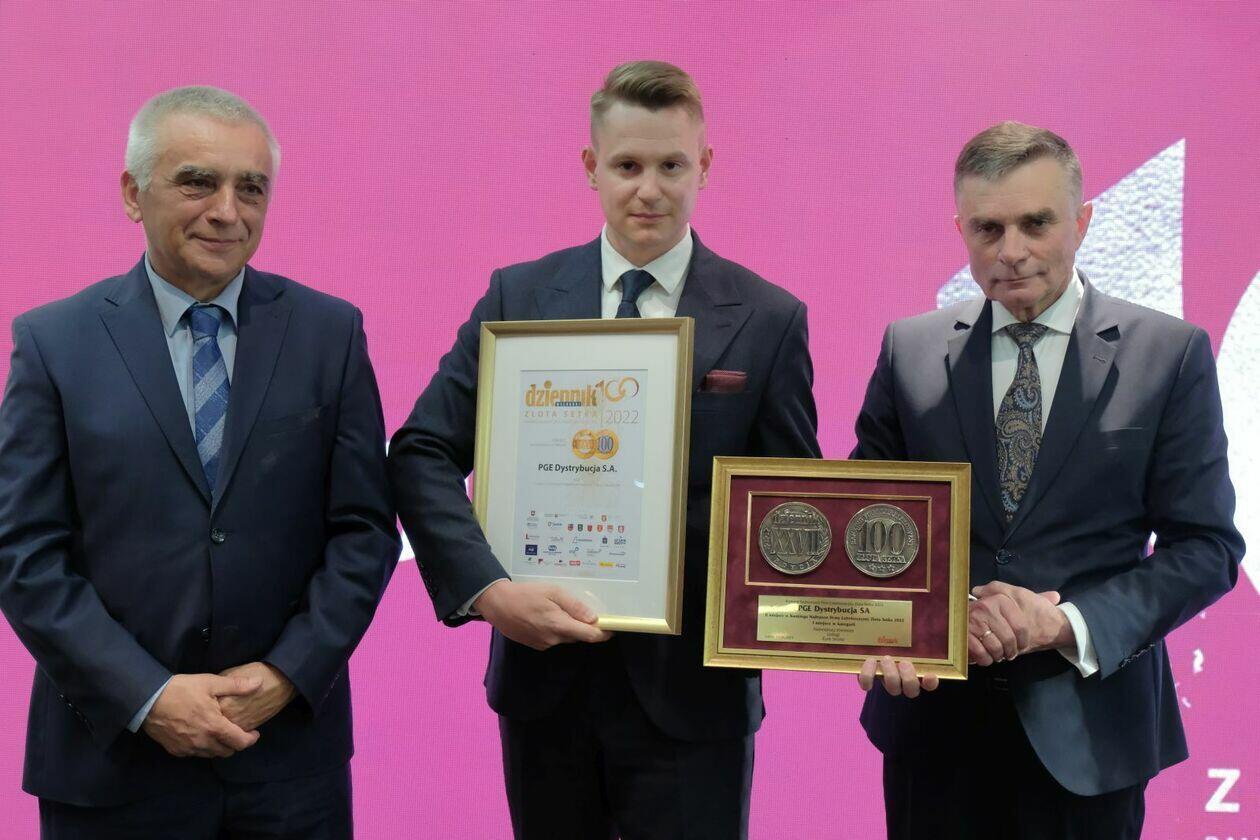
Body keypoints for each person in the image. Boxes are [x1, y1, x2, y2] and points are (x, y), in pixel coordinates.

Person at [389, 60, 820, 839]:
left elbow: (791, 506)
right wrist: (488, 590)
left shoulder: (769, 318)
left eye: (671, 166)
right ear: (592, 167)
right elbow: (420, 451)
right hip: (544, 690)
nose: (648, 189)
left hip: (694, 701)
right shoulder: (518, 299)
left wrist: (838, 615)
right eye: (627, 166)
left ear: (705, 166)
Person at [0, 86, 400, 838]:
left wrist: (287, 675)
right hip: (113, 766)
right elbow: (23, 553)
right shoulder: (54, 343)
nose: (227, 211)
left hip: (288, 766)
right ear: (133, 193)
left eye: (251, 188)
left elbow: (365, 531)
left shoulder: (330, 333)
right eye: (197, 182)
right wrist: (147, 696)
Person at [852, 121, 1243, 839]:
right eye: (988, 228)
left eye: (1036, 223)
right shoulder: (909, 350)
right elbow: (866, 528)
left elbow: (1206, 547)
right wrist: (897, 625)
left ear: (1082, 221)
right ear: (961, 230)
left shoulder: (1170, 355)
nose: (1012, 250)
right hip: (932, 729)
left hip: (1092, 736)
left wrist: (1063, 624)